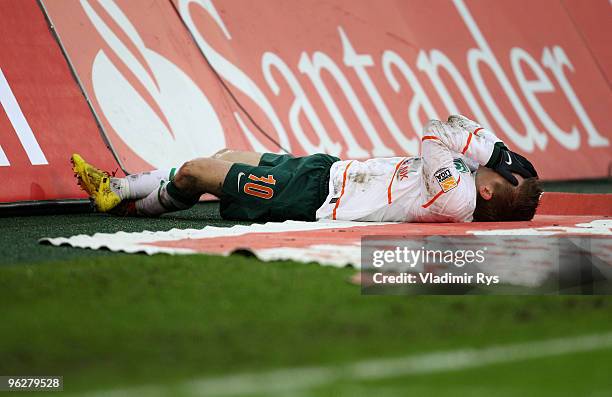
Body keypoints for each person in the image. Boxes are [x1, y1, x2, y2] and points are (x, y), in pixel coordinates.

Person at [72, 115, 541, 223]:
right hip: (328, 172)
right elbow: (455, 125)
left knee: (196, 172)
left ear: (487, 193)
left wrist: (495, 150)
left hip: (315, 199)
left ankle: (124, 197)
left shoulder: (456, 196)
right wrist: (497, 153)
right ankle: (124, 192)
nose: (491, 165)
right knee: (228, 154)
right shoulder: (464, 185)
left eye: (500, 173)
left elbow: (437, 130)